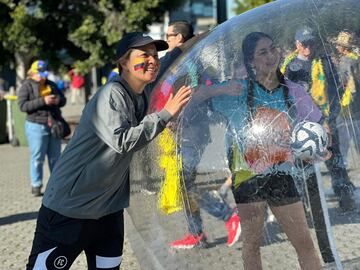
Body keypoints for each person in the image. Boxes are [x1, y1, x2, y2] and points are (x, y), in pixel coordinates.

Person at [25, 32, 191, 269]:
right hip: (71, 208)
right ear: (124, 62)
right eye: (144, 55)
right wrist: (165, 115)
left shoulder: (142, 90)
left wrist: (179, 48)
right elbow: (122, 141)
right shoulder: (111, 94)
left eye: (155, 54)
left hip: (108, 210)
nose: (152, 60)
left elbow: (164, 66)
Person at [197, 32, 323, 269]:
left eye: (273, 48)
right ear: (251, 61)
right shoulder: (238, 90)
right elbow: (195, 97)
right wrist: (218, 90)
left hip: (282, 175)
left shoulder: (293, 91)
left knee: (304, 243)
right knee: (253, 244)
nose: (270, 55)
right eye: (262, 52)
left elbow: (317, 126)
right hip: (247, 177)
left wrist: (317, 149)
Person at [156, 20, 241, 249]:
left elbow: (196, 91)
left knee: (186, 183)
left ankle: (229, 217)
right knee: (185, 184)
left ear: (180, 38)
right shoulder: (182, 61)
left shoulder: (189, 62)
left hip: (192, 131)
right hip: (184, 130)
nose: (167, 40)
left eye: (169, 36)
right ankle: (196, 234)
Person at [283, 26, 356, 211]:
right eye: (304, 44)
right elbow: (291, 98)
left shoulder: (324, 63)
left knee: (336, 162)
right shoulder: (292, 68)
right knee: (303, 169)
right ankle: (306, 207)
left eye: (311, 43)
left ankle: (345, 198)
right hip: (304, 128)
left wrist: (331, 116)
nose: (308, 48)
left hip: (327, 123)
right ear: (297, 44)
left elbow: (336, 89)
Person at [18, 60, 66, 196]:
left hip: (53, 125)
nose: (42, 76)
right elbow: (22, 106)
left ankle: (56, 186)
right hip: (35, 126)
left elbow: (63, 100)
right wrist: (43, 101)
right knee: (37, 157)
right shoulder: (26, 86)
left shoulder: (51, 84)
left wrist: (58, 100)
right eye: (39, 72)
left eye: (44, 72)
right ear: (32, 73)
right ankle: (36, 185)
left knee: (55, 158)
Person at [332, 31, 360, 166]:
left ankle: (343, 161)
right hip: (358, 100)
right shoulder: (356, 58)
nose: (337, 47)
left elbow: (342, 82)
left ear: (344, 47)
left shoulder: (345, 61)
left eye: (339, 45)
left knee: (345, 130)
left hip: (349, 101)